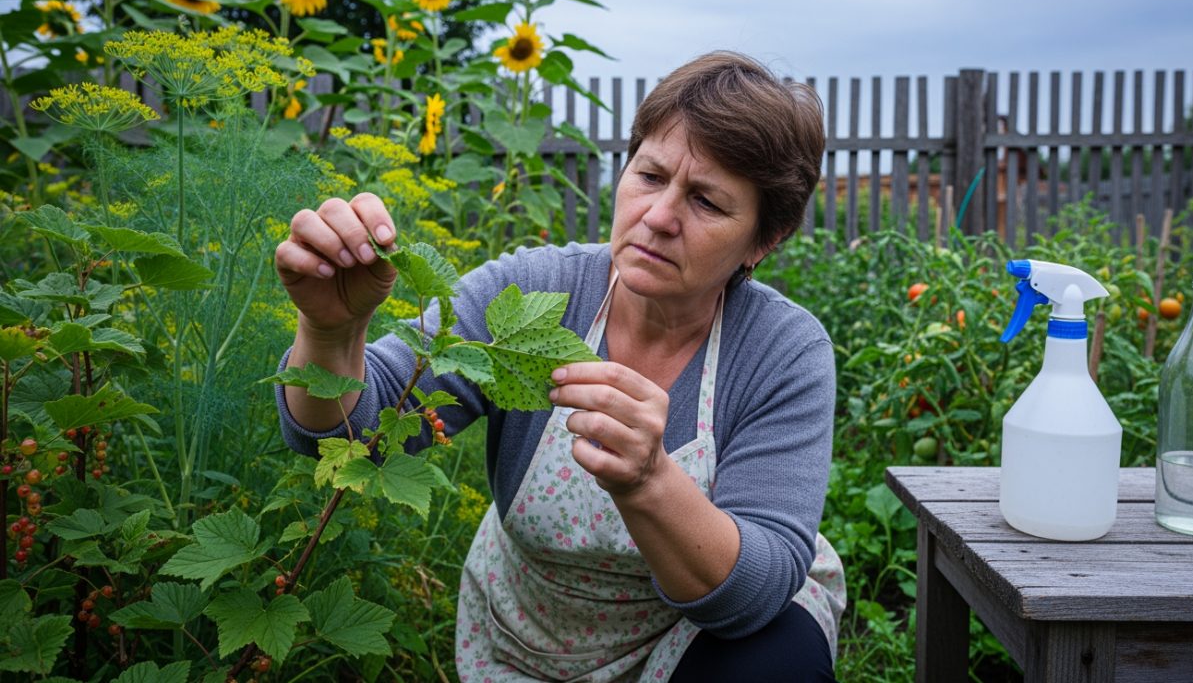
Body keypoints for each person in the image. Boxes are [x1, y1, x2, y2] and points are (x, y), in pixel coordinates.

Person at [274, 51, 844, 682]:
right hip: (533, 639)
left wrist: (649, 481)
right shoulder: (535, 294)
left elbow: (751, 597)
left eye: (707, 202)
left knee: (778, 659)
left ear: (762, 240)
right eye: (651, 176)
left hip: (695, 641)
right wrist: (331, 330)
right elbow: (358, 435)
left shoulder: (782, 352)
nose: (658, 217)